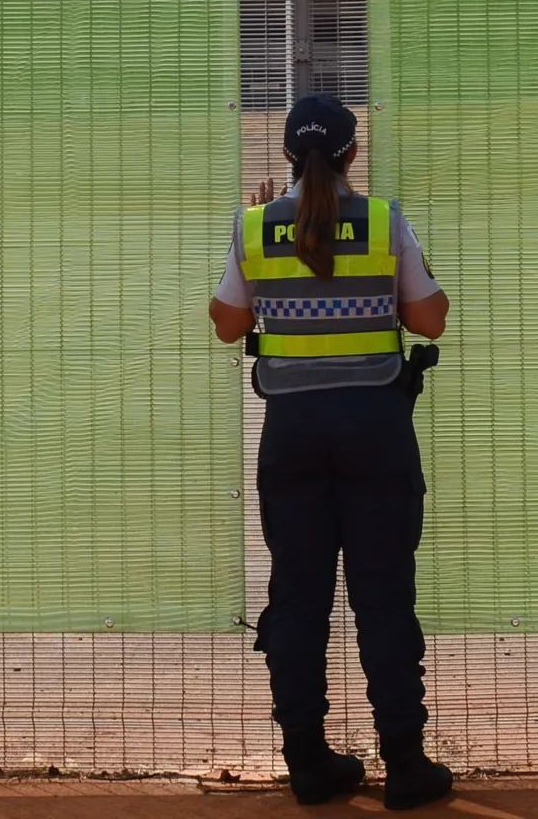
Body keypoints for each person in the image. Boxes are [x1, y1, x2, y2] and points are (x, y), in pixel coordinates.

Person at [210, 92, 454, 809]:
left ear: (287, 156)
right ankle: (406, 767)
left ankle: (309, 763)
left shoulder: (256, 226)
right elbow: (431, 319)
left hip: (293, 435)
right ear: (353, 153)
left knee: (299, 597)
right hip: (375, 427)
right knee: (382, 596)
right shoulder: (384, 222)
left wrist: (257, 246)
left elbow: (228, 326)